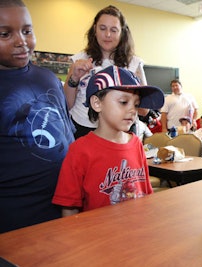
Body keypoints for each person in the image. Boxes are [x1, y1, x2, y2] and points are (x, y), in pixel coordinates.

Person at [0, 0, 75, 233]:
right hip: (17, 216)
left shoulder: (48, 77)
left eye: (27, 31)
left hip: (66, 205)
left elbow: (65, 129)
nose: (21, 41)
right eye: (5, 34)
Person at [52, 66, 164, 216]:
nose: (132, 110)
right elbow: (69, 206)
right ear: (97, 103)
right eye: (124, 102)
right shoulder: (79, 150)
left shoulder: (136, 143)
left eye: (136, 104)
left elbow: (145, 193)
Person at [64, 5, 147, 139]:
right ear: (95, 29)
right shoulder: (79, 60)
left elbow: (144, 110)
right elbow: (66, 104)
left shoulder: (134, 64)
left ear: (122, 33)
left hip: (120, 132)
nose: (107, 34)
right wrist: (74, 78)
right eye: (102, 28)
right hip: (82, 128)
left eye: (114, 30)